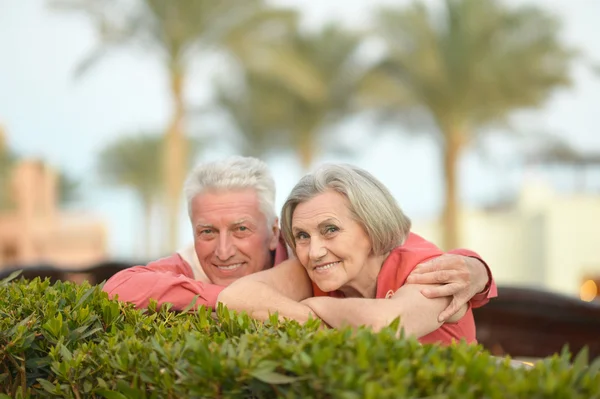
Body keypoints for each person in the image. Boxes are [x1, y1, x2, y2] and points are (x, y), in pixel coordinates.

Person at [104, 156, 496, 320]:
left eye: (241, 229)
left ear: (275, 232)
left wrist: (477, 269)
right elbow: (119, 288)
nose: (222, 251)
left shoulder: (308, 261)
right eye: (207, 232)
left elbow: (388, 319)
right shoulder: (191, 265)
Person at [218, 163, 484, 344]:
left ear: (371, 226)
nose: (315, 251)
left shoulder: (433, 270)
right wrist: (320, 322)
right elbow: (234, 299)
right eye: (302, 236)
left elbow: (387, 327)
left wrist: (317, 305)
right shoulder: (316, 267)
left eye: (330, 229)